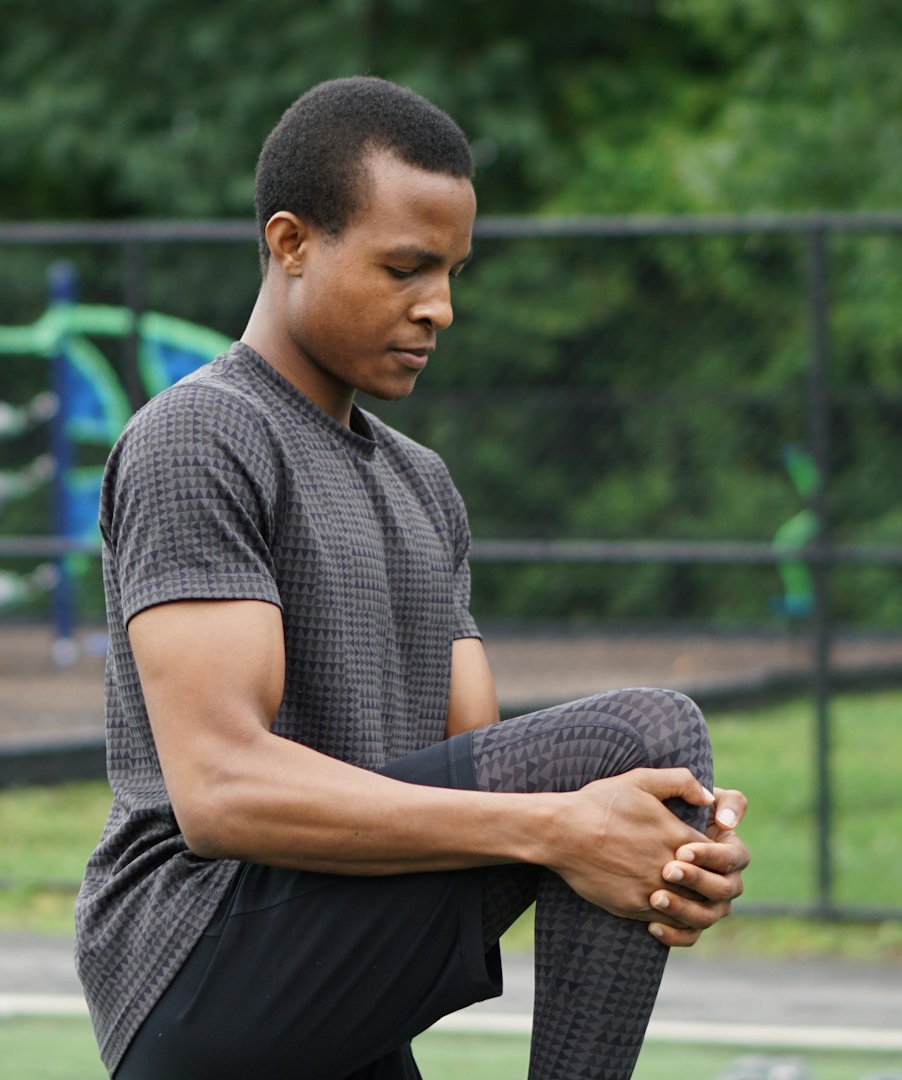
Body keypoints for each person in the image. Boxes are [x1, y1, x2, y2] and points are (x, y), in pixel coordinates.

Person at [75, 76, 750, 1080]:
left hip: (341, 968)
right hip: (204, 960)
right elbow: (220, 792)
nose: (438, 307)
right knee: (638, 739)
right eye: (404, 268)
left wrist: (661, 844)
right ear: (291, 242)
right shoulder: (201, 434)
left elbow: (476, 764)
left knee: (642, 773)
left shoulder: (422, 483)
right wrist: (566, 826)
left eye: (453, 272)